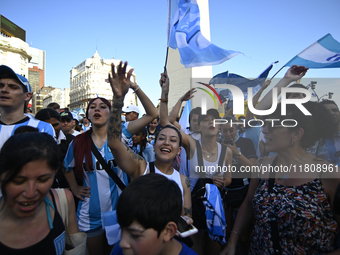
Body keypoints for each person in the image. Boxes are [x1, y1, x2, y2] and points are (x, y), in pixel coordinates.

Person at [64, 61, 158, 255]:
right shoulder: (77, 142)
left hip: (120, 209)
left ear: (112, 112)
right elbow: (66, 167)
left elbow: (152, 114)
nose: (97, 109)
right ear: (87, 115)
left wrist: (134, 86)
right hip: (90, 214)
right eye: (93, 107)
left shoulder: (122, 132)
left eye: (102, 106)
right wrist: (74, 188)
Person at [221, 101, 340, 254]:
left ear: (296, 134)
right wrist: (233, 240)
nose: (264, 131)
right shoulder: (262, 165)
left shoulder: (327, 174)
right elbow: (249, 202)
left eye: (273, 126)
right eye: (265, 124)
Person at [159, 73, 232, 255]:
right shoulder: (192, 144)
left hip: (215, 205)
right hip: (193, 205)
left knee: (215, 248)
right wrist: (165, 93)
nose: (212, 123)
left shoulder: (226, 151)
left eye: (215, 120)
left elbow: (229, 178)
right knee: (196, 249)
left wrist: (224, 182)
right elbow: (165, 122)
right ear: (200, 125)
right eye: (207, 120)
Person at [0, 132, 79, 254]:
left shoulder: (62, 200)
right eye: (18, 181)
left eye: (43, 180)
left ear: (55, 173)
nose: (30, 193)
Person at [111, 174, 198, 255]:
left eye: (135, 235)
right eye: (121, 229)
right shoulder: (119, 251)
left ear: (169, 231)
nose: (122, 243)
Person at [0, 65, 55, 149]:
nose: (3, 90)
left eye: (13, 87)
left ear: (27, 96)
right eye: (0, 85)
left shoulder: (42, 128)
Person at [35, 108, 76, 189]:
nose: (52, 129)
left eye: (55, 125)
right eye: (47, 125)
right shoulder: (32, 143)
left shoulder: (71, 140)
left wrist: (75, 188)